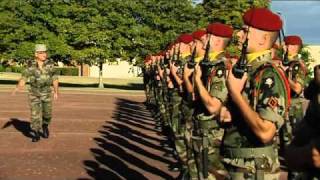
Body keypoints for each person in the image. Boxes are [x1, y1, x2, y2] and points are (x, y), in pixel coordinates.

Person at [223, 8, 289, 179]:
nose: (238, 35)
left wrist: (235, 94)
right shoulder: (251, 71)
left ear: (264, 39)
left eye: (245, 31)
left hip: (254, 169)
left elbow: (266, 132)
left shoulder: (268, 75)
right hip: (239, 165)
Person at [193, 22, 233, 179]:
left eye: (208, 36)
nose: (203, 39)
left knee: (212, 174)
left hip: (213, 133)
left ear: (217, 41)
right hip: (204, 131)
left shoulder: (220, 67)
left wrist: (196, 79)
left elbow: (213, 106)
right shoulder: (209, 65)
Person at [13, 44, 59, 142]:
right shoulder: (30, 65)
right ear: (36, 54)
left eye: (45, 52)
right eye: (41, 53)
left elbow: (55, 78)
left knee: (47, 114)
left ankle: (45, 125)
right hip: (34, 93)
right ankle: (36, 133)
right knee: (35, 114)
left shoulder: (50, 65)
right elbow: (24, 77)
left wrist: (56, 91)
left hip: (46, 93)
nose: (44, 54)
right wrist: (19, 86)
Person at [285, 65, 320, 179]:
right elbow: (307, 94)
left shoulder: (297, 66)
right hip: (310, 123)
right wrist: (316, 81)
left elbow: (297, 89)